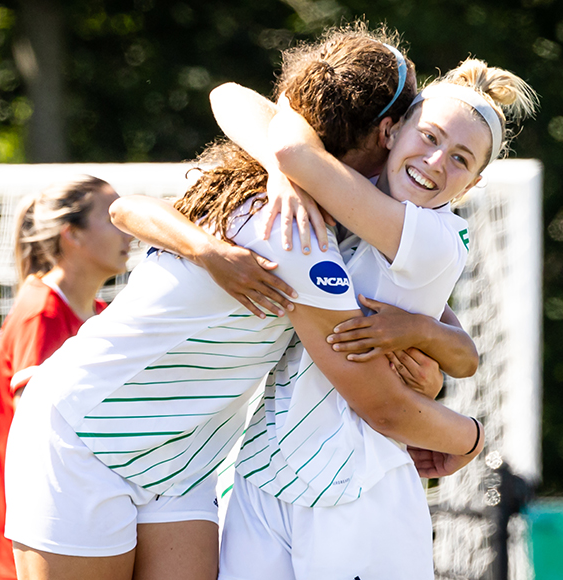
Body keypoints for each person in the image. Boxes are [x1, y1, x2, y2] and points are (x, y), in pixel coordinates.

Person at [3, 24, 482, 580]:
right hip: (86, 436)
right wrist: (469, 439)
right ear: (385, 131)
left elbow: (231, 107)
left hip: (186, 460)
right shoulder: (297, 232)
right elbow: (383, 404)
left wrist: (441, 346)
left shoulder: (299, 200)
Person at [211, 56, 538, 579]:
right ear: (391, 130)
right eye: (428, 136)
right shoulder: (354, 196)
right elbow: (228, 94)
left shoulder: (435, 238)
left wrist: (289, 164)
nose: (434, 161)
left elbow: (290, 143)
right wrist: (282, 173)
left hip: (354, 485)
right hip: (262, 470)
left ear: (472, 186)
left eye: (459, 159)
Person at [0, 176, 133, 580]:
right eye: (112, 217)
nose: (129, 229)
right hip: (43, 539)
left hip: (86, 523)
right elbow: (43, 434)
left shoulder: (104, 314)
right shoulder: (42, 312)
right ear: (73, 235)